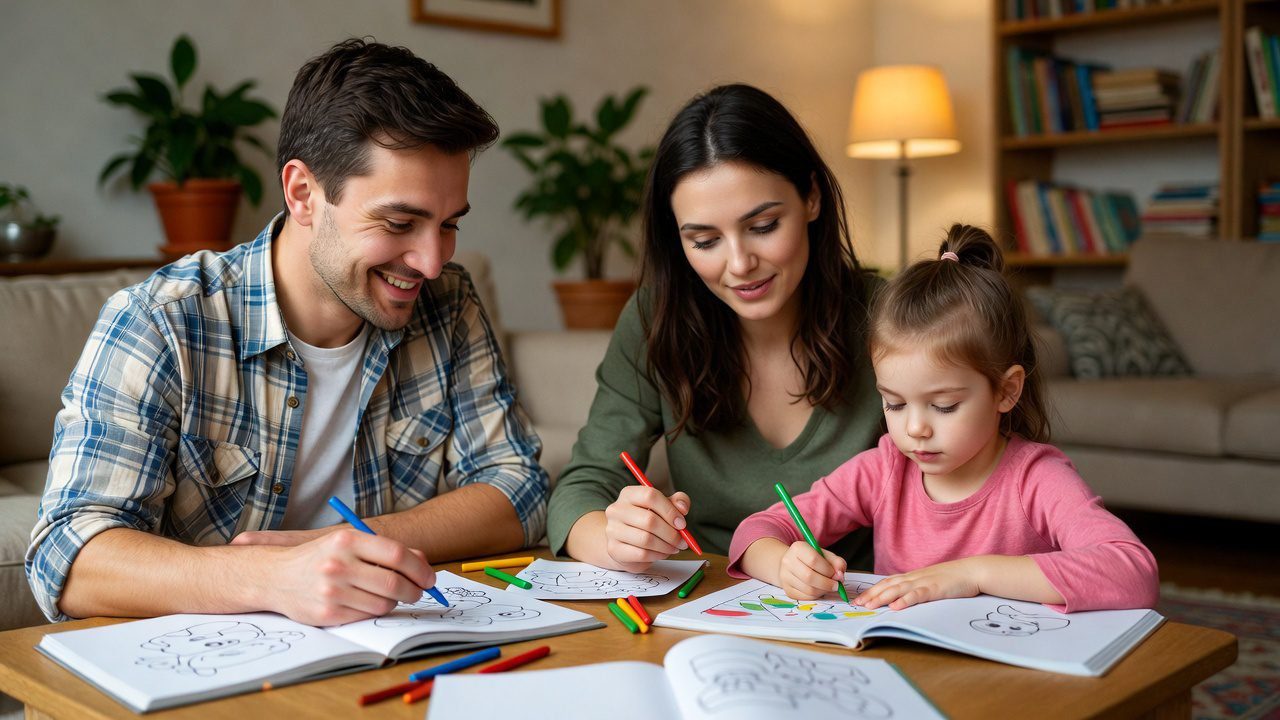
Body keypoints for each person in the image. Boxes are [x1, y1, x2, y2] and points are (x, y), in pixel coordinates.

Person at [26, 39, 549, 626]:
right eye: (399, 222)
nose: (431, 262)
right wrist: (272, 577)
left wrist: (346, 549)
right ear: (303, 193)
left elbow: (518, 487)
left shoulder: (448, 302)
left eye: (448, 224)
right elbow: (67, 553)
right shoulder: (162, 320)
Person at [730, 224, 1159, 612]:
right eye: (894, 404)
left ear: (1007, 390)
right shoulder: (885, 470)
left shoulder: (1037, 479)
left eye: (944, 406)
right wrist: (786, 563)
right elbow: (755, 531)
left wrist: (971, 575)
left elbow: (1134, 571)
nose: (915, 428)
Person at [546, 84, 885, 572]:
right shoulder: (653, 320)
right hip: (708, 602)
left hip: (859, 605)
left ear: (811, 197)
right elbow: (581, 486)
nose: (740, 263)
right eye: (705, 240)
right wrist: (614, 538)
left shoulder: (889, 318)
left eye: (764, 226)